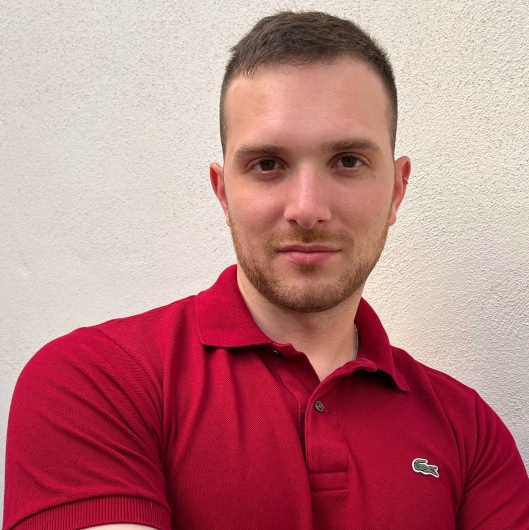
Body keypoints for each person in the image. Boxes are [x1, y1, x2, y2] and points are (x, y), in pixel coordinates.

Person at [3, 11, 528, 530]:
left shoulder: (471, 432)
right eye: (268, 164)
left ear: (395, 190)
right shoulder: (94, 382)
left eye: (348, 160)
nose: (307, 209)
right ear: (223, 193)